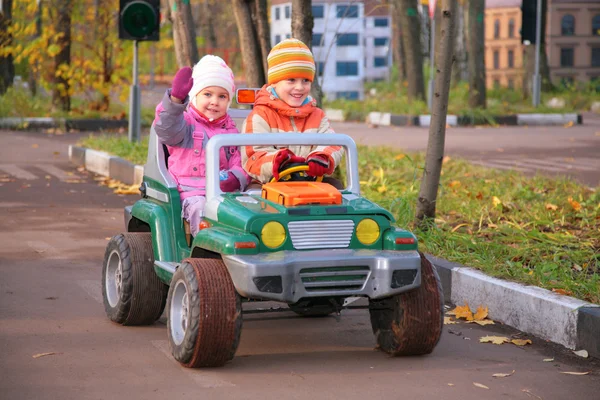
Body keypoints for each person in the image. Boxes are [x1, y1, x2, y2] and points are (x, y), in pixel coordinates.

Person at [153, 55, 249, 236]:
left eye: (222, 96)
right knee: (201, 209)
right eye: (207, 94)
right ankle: (205, 249)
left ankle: (239, 250)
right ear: (194, 95)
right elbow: (166, 129)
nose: (214, 101)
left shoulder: (230, 129)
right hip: (191, 192)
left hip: (223, 192)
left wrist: (235, 178)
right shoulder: (185, 122)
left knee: (246, 209)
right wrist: (175, 101)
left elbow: (239, 160)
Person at [241, 38, 344, 187]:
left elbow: (333, 143)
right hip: (270, 183)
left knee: (336, 187)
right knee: (255, 196)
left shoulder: (317, 115)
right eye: (291, 80)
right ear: (274, 82)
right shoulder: (260, 115)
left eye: (305, 81)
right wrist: (278, 161)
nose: (300, 87)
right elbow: (253, 156)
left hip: (310, 181)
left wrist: (322, 156)